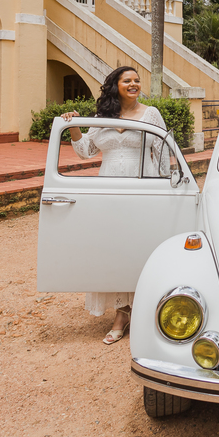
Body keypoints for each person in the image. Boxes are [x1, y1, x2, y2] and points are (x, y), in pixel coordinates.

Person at [60, 66, 167, 345]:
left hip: (143, 188)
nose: (134, 84)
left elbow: (163, 151)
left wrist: (166, 186)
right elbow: (86, 151)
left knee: (140, 246)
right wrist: (73, 126)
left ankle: (138, 310)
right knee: (115, 247)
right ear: (115, 86)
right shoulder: (101, 118)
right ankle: (123, 311)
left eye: (137, 80)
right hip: (109, 189)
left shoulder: (151, 114)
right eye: (127, 80)